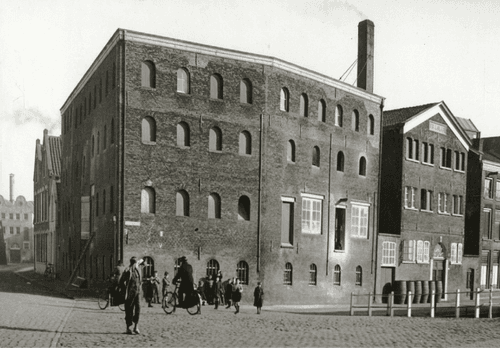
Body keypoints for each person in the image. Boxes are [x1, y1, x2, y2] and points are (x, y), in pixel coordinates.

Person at [119, 257, 143, 335]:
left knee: (138, 309)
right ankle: (128, 328)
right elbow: (121, 281)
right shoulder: (127, 271)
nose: (136, 265)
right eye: (135, 263)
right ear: (133, 263)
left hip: (137, 292)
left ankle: (136, 326)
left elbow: (140, 281)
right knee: (129, 310)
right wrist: (124, 289)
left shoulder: (138, 270)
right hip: (130, 293)